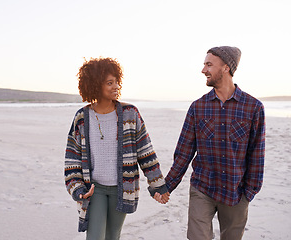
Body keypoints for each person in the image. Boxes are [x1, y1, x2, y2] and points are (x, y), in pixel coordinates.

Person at [155, 46, 266, 239]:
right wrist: (167, 186)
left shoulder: (253, 108)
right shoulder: (198, 107)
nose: (203, 70)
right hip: (202, 188)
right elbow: (184, 153)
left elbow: (257, 154)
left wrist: (250, 191)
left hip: (236, 191)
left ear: (225, 67)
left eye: (209, 64)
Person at [64, 57, 169, 239]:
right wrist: (78, 189)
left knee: (113, 236)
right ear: (95, 85)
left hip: (122, 189)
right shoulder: (82, 117)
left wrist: (157, 186)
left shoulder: (130, 113)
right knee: (95, 236)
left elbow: (146, 153)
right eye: (109, 83)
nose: (116, 86)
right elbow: (71, 159)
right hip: (94, 189)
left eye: (116, 82)